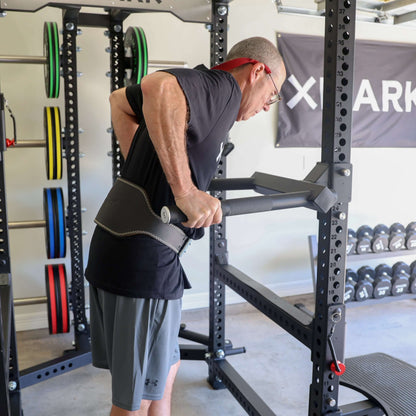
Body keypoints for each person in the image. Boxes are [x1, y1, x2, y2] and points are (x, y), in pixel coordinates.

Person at [85, 36, 286, 416]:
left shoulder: (207, 95)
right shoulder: (223, 88)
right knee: (134, 403)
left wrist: (163, 164)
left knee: (166, 369)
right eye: (271, 95)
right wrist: (184, 190)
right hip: (143, 257)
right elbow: (158, 85)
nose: (265, 107)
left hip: (132, 248)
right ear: (258, 72)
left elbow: (119, 102)